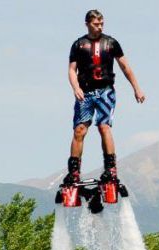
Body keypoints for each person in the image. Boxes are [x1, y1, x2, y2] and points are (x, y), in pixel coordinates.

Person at [61, 10, 145, 189]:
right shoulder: (79, 44)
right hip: (85, 92)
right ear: (87, 24)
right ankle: (74, 171)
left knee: (103, 126)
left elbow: (125, 67)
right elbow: (71, 70)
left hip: (105, 91)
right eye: (96, 24)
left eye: (101, 24)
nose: (99, 27)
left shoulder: (111, 43)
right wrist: (75, 88)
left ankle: (111, 168)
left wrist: (136, 88)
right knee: (79, 130)